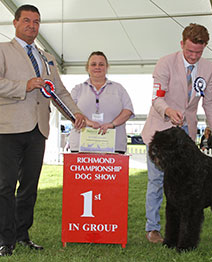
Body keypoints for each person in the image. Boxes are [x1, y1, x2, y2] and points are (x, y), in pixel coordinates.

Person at [0, 4, 87, 256]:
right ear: (14, 23)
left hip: (38, 129)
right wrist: (23, 85)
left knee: (29, 186)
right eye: (26, 20)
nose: (32, 25)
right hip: (7, 128)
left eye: (36, 22)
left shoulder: (46, 57)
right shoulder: (3, 50)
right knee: (4, 186)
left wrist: (75, 113)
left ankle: (22, 235)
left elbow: (59, 91)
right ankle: (4, 240)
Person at [141, 23, 212, 243]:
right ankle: (153, 228)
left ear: (205, 47)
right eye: (189, 51)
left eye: (198, 51)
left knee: (188, 184)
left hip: (186, 134)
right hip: (161, 129)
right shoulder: (165, 63)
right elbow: (156, 97)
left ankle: (183, 229)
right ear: (182, 44)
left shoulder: (209, 69)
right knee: (157, 180)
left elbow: (211, 103)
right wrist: (168, 110)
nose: (194, 56)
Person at [68, 51, 134, 154]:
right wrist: (88, 123)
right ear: (87, 67)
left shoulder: (119, 88)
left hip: (114, 145)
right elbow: (70, 111)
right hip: (81, 145)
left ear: (107, 67)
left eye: (101, 64)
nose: (97, 67)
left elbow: (128, 111)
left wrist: (112, 124)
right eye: (93, 64)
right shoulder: (78, 89)